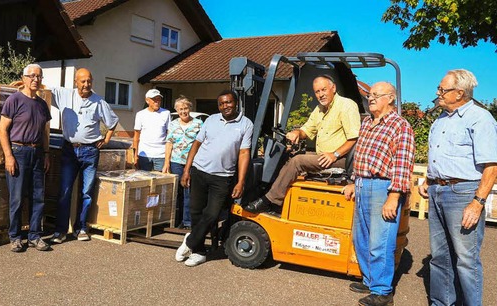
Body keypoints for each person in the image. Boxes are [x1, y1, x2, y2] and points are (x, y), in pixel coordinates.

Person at [417, 69, 497, 306]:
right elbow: (442, 157)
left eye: (443, 89)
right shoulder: (441, 119)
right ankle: (441, 303)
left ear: (460, 93)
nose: (438, 93)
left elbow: (492, 166)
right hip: (438, 192)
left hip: (463, 194)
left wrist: (477, 202)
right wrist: (429, 180)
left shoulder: (480, 119)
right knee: (440, 256)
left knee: (465, 258)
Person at [343, 82, 415, 306]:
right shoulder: (367, 123)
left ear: (391, 98)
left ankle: (383, 292)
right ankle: (370, 280)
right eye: (369, 94)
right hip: (364, 184)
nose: (370, 98)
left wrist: (394, 196)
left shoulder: (400, 126)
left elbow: (403, 164)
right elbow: (361, 156)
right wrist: (355, 181)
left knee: (380, 241)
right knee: (361, 238)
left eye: (376, 95)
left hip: (383, 187)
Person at [244, 75, 360, 213]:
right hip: (325, 156)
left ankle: (269, 199)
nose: (321, 94)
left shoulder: (346, 106)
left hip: (342, 159)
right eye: (317, 92)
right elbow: (307, 129)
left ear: (333, 88)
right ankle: (279, 199)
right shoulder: (319, 109)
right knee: (289, 156)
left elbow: (355, 138)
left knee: (298, 161)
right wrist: (297, 133)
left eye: (323, 90)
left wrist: (334, 155)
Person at [175, 90, 253, 267]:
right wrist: (187, 170)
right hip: (199, 171)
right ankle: (199, 252)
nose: (225, 106)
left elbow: (244, 153)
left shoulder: (246, 124)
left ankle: (190, 241)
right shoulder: (211, 120)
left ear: (236, 103)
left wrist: (241, 181)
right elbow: (196, 144)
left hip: (222, 177)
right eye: (221, 103)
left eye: (229, 102)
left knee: (212, 214)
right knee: (195, 212)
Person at [48, 68, 119, 243]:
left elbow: (112, 122)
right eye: (83, 81)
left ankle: (81, 228)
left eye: (89, 81)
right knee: (65, 191)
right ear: (75, 82)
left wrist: (106, 139)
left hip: (90, 151)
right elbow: (43, 89)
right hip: (69, 151)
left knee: (86, 192)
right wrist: (21, 84)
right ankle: (61, 231)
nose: (86, 84)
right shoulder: (64, 95)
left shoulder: (98, 101)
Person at [0, 64, 52, 252]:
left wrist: (46, 154)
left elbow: (44, 132)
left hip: (37, 153)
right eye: (32, 76)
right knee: (17, 198)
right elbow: (2, 129)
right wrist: (8, 156)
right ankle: (15, 237)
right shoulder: (14, 100)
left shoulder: (42, 104)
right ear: (24, 77)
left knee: (38, 197)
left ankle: (35, 236)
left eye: (39, 76)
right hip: (18, 152)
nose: (36, 79)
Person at [162, 95, 203, 229]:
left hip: (191, 162)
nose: (183, 111)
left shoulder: (198, 123)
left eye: (185, 108)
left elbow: (202, 143)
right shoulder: (173, 124)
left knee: (188, 191)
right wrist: (166, 162)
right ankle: (175, 220)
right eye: (180, 109)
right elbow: (169, 143)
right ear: (177, 110)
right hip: (175, 162)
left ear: (190, 108)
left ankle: (187, 222)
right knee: (177, 192)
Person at [133, 89, 170, 171]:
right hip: (144, 155)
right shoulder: (140, 114)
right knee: (144, 180)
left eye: (159, 99)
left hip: (161, 155)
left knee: (160, 181)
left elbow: (169, 135)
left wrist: (168, 158)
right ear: (147, 100)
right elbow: (136, 137)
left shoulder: (166, 113)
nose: (157, 101)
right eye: (154, 99)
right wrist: (135, 156)